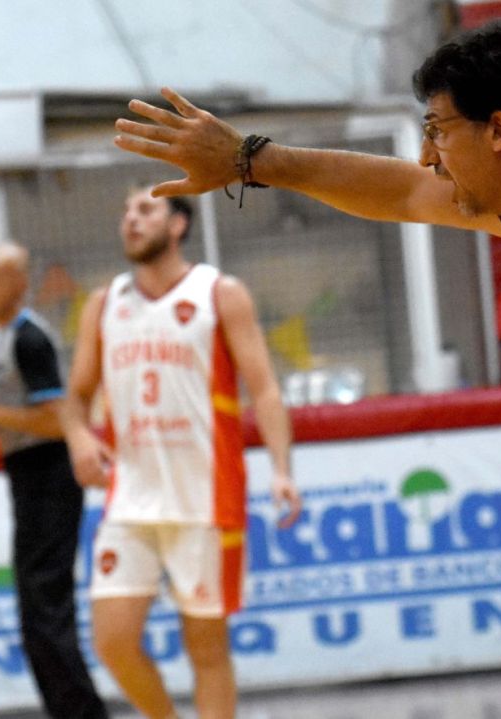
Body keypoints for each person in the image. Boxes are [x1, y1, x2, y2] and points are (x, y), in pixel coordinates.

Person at [111, 19, 501, 719]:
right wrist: (249, 160)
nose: (426, 155)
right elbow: (399, 193)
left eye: (438, 131)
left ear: (499, 129)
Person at [61, 186, 301, 719]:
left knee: (206, 650)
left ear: (178, 224)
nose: (130, 219)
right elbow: (75, 398)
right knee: (112, 642)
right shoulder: (103, 304)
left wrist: (282, 469)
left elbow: (264, 389)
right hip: (130, 498)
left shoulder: (220, 294)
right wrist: (79, 439)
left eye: (145, 209)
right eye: (125, 211)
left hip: (204, 499)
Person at [0, 243, 109, 719]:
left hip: (50, 477)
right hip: (28, 476)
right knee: (36, 613)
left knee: (46, 610)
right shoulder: (1, 340)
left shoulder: (30, 339)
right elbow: (25, 417)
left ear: (18, 284)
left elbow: (59, 419)